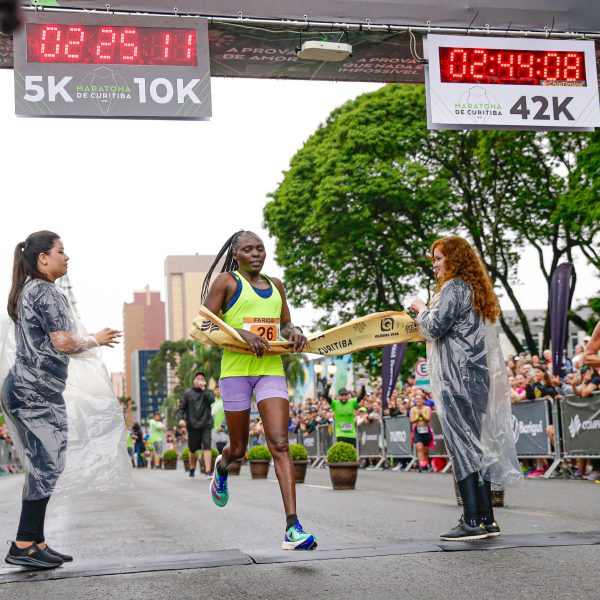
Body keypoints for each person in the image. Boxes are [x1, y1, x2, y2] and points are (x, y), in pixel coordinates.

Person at [1, 231, 121, 569]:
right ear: (43, 258)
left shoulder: (30, 289)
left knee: (43, 465)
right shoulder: (45, 291)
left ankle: (34, 541)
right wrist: (95, 339)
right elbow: (63, 343)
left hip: (27, 389)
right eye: (61, 251)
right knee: (47, 465)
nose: (66, 258)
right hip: (33, 391)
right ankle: (24, 543)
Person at [200, 230, 316, 550]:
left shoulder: (276, 285)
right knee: (238, 448)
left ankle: (292, 528)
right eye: (248, 249)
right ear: (236, 255)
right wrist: (241, 334)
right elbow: (205, 325)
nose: (256, 254)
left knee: (280, 442)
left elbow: (286, 324)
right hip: (236, 372)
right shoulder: (227, 283)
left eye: (260, 249)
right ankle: (222, 468)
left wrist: (296, 332)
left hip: (270, 370)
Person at [411, 235, 521, 541]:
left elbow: (433, 326)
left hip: (455, 379)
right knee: (476, 446)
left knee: (463, 447)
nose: (433, 264)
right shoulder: (473, 288)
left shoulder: (454, 287)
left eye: (438, 258)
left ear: (453, 259)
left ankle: (472, 519)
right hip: (476, 379)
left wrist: (420, 306)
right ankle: (486, 518)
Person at [178, 371, 215, 479]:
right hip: (192, 425)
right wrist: (181, 419)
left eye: (202, 379)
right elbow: (181, 408)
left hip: (206, 425)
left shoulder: (207, 392)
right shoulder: (187, 393)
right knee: (192, 449)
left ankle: (208, 471)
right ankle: (192, 468)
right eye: (198, 378)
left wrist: (204, 389)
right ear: (194, 380)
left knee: (207, 447)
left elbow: (212, 400)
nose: (200, 380)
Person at [325, 380, 367, 447]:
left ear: (348, 396)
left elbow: (362, 396)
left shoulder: (352, 402)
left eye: (345, 395)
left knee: (352, 452)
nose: (344, 397)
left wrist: (363, 386)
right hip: (340, 433)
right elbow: (326, 396)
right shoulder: (335, 403)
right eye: (342, 395)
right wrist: (328, 386)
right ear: (339, 396)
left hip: (351, 433)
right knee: (343, 450)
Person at [410, 392, 433, 472]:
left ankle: (426, 464)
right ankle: (422, 465)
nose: (418, 400)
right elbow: (412, 420)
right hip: (417, 430)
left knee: (426, 450)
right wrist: (419, 416)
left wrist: (422, 415)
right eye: (417, 399)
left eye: (420, 399)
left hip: (426, 430)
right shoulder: (413, 409)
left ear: (423, 400)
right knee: (419, 448)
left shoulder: (427, 408)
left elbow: (428, 419)